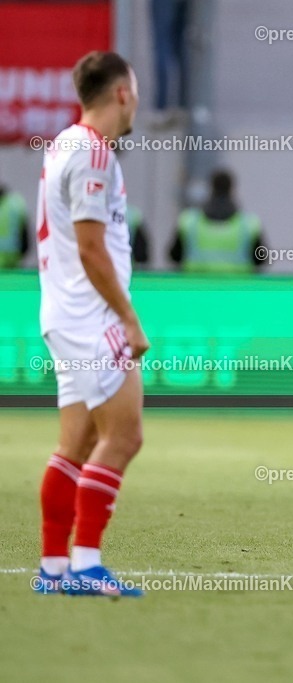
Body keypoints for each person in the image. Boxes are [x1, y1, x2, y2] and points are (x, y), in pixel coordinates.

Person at [34, 51, 148, 597]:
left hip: (62, 313)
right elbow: (91, 248)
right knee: (123, 436)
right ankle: (85, 565)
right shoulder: (94, 152)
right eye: (136, 91)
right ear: (122, 93)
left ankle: (54, 568)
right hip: (91, 317)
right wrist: (128, 319)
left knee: (75, 445)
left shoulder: (63, 144)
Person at [168, 169, 267, 273]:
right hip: (237, 282)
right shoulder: (249, 225)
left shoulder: (188, 222)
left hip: (196, 282)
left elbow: (175, 256)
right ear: (232, 189)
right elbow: (260, 259)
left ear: (210, 187)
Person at [0, 184, 30, 268]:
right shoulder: (16, 204)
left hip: (12, 264)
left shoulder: (15, 204)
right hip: (14, 264)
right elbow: (25, 238)